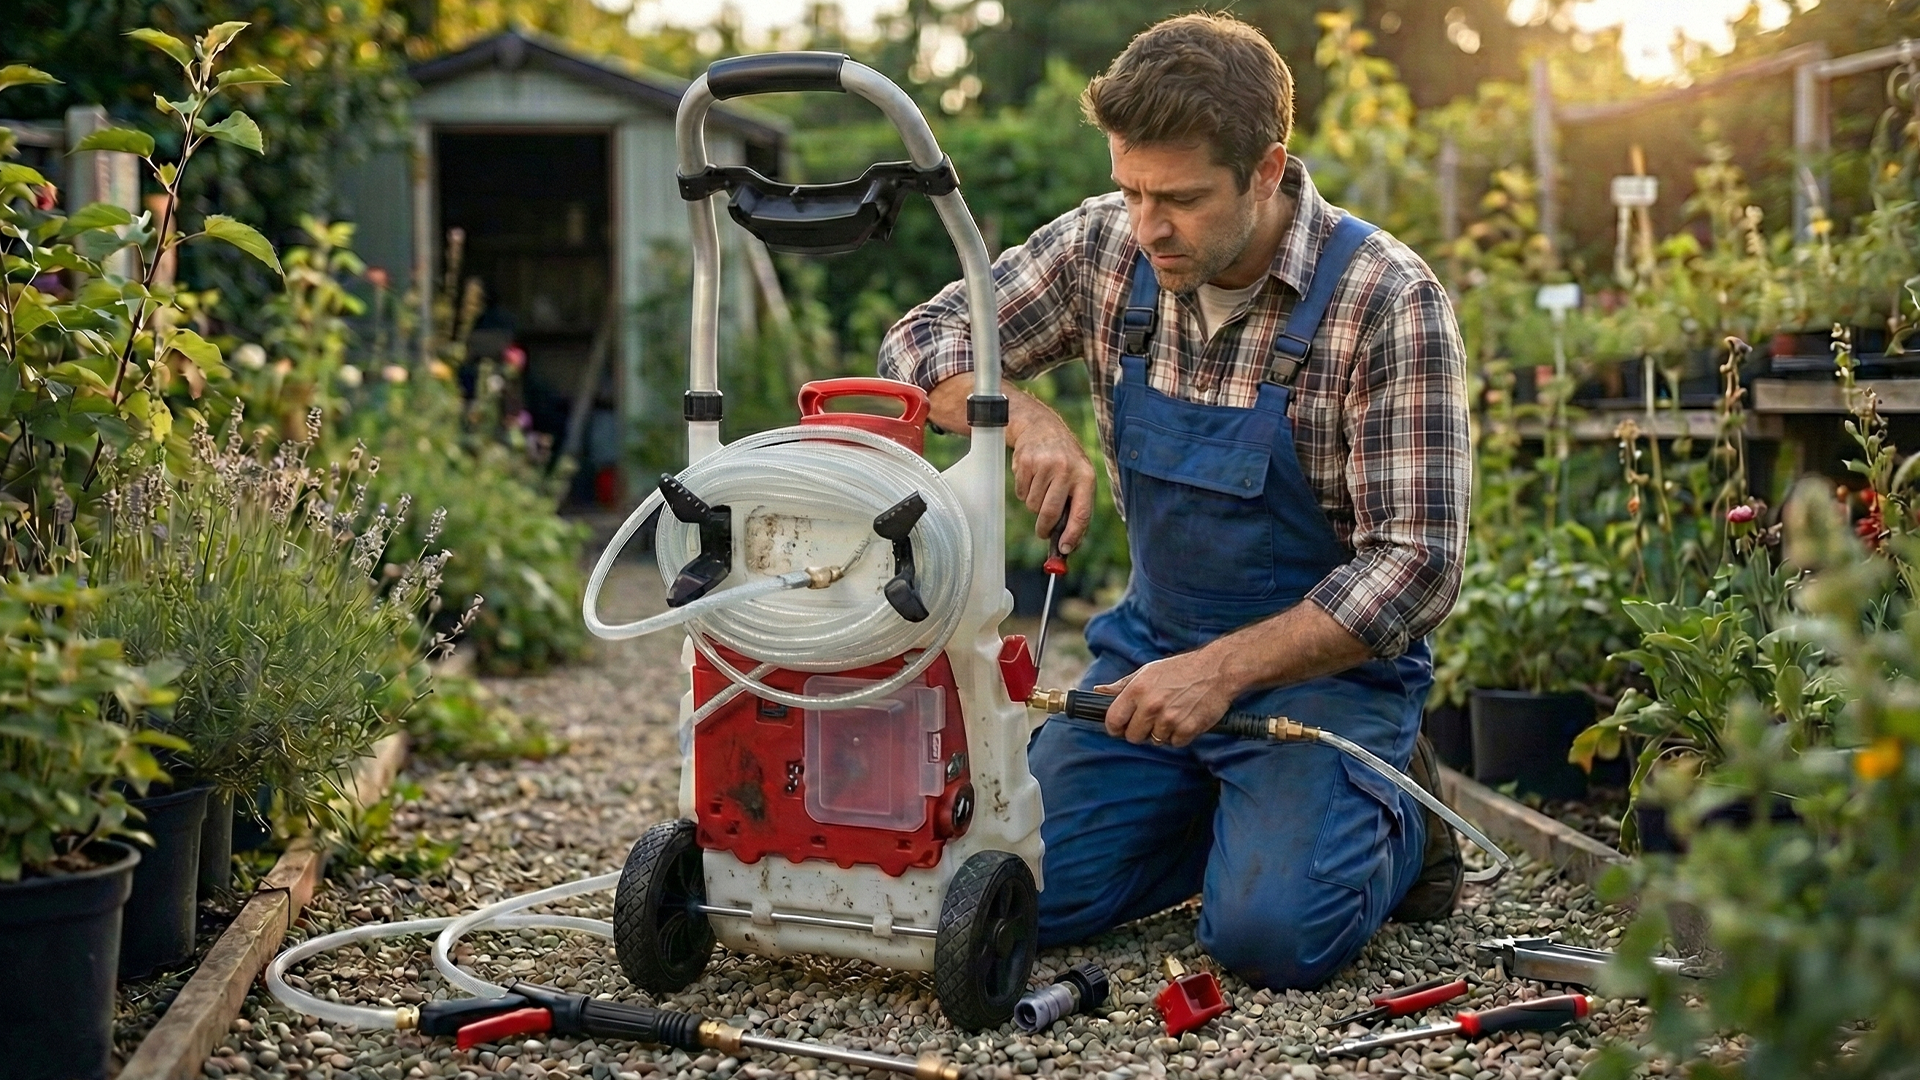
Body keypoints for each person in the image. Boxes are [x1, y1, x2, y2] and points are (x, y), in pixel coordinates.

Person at [878, 12, 1470, 989]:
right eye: (1132, 189)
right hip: (1152, 653)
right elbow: (917, 345)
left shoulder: (1386, 299)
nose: (1148, 226)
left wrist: (1222, 673)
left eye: (1183, 199)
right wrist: (1023, 415)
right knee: (1006, 892)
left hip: (1322, 682)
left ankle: (1393, 807)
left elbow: (1418, 565)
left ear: (1267, 170)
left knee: (1271, 940)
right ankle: (1249, 818)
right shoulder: (1104, 247)